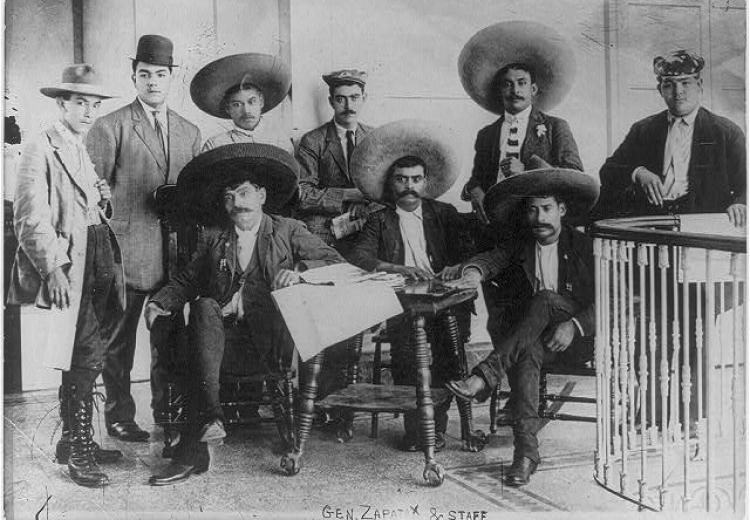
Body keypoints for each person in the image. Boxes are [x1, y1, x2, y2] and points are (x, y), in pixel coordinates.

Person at [144, 143, 344, 485]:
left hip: (270, 340)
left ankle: (194, 446)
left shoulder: (287, 230)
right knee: (204, 306)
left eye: (246, 193)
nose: (239, 202)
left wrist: (299, 270)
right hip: (221, 342)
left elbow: (335, 263)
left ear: (262, 196)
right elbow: (188, 279)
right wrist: (159, 302)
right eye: (229, 196)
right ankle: (210, 421)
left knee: (194, 350)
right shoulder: (213, 237)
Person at [441, 166, 600, 487]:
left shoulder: (585, 246)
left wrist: (575, 325)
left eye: (546, 209)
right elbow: (490, 260)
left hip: (577, 341)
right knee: (527, 355)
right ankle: (526, 454)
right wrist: (472, 272)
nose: (538, 218)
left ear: (562, 210)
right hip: (535, 340)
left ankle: (485, 375)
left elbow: (614, 297)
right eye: (531, 210)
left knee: (543, 299)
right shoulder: (521, 244)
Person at [8, 64, 125, 487]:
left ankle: (73, 441)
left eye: (95, 104)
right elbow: (28, 217)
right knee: (84, 352)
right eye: (81, 103)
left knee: (88, 349)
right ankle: (78, 449)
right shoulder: (42, 147)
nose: (90, 111)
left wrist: (102, 200)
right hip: (70, 264)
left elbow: (83, 207)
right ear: (62, 104)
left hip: (97, 253)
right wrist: (53, 268)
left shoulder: (79, 145)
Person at [86, 34, 202, 442]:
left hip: (173, 258)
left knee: (168, 343)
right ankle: (119, 416)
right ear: (134, 76)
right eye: (145, 74)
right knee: (118, 343)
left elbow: (196, 196)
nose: (153, 81)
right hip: (125, 255)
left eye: (160, 74)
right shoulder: (109, 126)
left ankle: (167, 418)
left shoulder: (190, 131)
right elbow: (91, 197)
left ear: (172, 76)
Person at [348, 120, 474, 451]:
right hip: (405, 303)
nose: (409, 187)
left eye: (416, 179)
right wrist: (397, 268)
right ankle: (417, 429)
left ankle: (438, 427)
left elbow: (468, 251)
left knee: (448, 354)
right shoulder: (380, 218)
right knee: (407, 357)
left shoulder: (444, 214)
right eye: (401, 180)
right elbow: (360, 255)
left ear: (426, 182)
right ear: (391, 184)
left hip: (447, 301)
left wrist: (454, 267)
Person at [597, 49, 746, 226]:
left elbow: (745, 184)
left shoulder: (726, 132)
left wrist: (741, 203)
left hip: (703, 228)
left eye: (685, 83)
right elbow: (609, 171)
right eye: (669, 84)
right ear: (660, 89)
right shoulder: (644, 130)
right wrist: (638, 173)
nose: (678, 92)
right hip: (652, 226)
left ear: (699, 85)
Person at [296, 68, 378, 253]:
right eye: (341, 99)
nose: (349, 105)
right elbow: (304, 195)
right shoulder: (313, 140)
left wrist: (366, 205)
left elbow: (388, 188)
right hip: (327, 222)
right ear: (331, 101)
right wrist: (352, 195)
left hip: (369, 217)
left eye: (355, 97)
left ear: (364, 98)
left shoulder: (376, 137)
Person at [191, 53, 293, 153]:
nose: (246, 111)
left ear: (261, 102)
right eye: (237, 104)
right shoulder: (215, 145)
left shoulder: (280, 142)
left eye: (252, 102)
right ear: (228, 109)